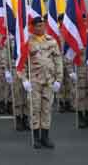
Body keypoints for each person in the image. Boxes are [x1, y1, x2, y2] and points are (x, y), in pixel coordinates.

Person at [20, 16, 62, 148]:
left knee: (46, 109)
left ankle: (45, 137)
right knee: (35, 109)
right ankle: (36, 137)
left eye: (42, 25)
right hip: (34, 81)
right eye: (38, 26)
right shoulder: (28, 42)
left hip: (49, 81)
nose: (41, 28)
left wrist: (58, 80)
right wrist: (24, 79)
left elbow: (58, 61)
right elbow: (22, 63)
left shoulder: (52, 41)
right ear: (33, 27)